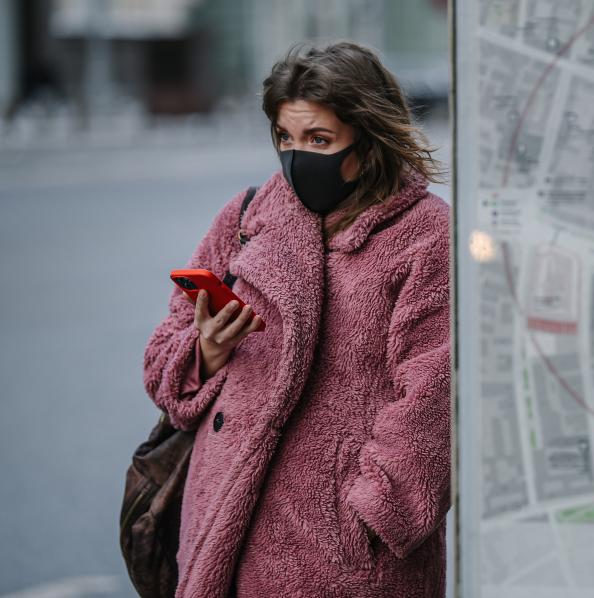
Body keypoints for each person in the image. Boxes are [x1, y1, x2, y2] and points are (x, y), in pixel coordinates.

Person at [142, 40, 450, 597]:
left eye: (319, 139)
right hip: (223, 529)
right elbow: (164, 352)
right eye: (285, 137)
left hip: (345, 558)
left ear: (369, 137)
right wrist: (205, 352)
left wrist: (370, 518)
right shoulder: (246, 216)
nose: (297, 155)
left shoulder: (424, 236)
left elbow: (435, 396)